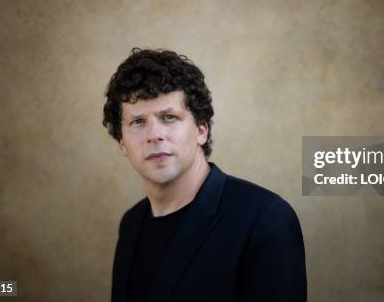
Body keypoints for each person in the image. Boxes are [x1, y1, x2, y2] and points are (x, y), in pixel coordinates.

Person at [102, 48, 307, 302]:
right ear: (122, 143)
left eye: (169, 117)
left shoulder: (265, 218)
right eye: (138, 122)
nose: (154, 135)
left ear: (201, 131)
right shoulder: (131, 224)